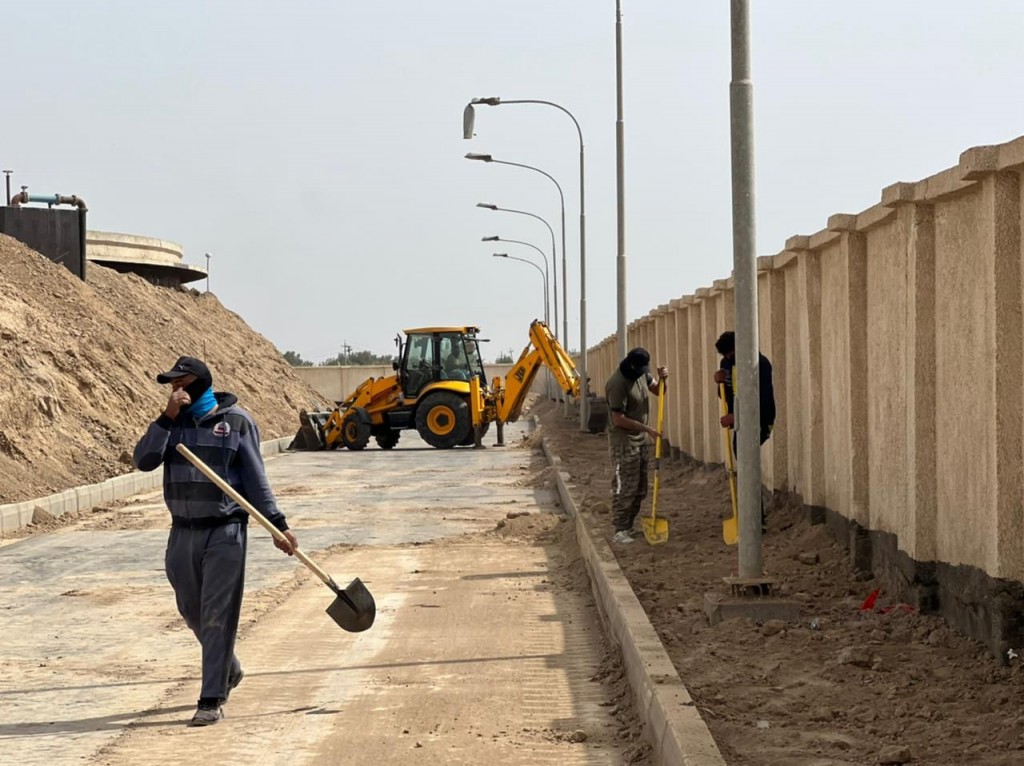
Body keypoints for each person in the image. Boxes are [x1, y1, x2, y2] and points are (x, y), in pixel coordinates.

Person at [133, 356, 298, 727]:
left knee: (216, 615)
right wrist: (166, 418)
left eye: (181, 381)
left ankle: (211, 698)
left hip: (224, 532)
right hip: (181, 532)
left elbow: (256, 480)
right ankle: (229, 667)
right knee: (191, 610)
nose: (176, 388)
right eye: (171, 384)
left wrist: (277, 525)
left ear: (200, 382)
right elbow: (143, 461)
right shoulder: (171, 425)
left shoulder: (237, 422)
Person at [605, 347, 669, 544]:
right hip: (623, 443)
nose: (643, 373)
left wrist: (664, 379)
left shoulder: (641, 375)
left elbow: (659, 391)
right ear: (630, 365)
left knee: (640, 487)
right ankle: (620, 529)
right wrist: (647, 429)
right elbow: (618, 419)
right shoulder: (617, 384)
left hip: (640, 440)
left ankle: (630, 526)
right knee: (626, 487)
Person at [713, 331, 776, 530]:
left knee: (747, 463)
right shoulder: (726, 364)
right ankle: (752, 518)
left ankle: (755, 520)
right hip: (739, 423)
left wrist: (736, 417)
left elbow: (761, 400)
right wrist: (719, 383)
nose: (728, 359)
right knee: (745, 462)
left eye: (730, 355)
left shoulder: (760, 364)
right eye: (725, 356)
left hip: (760, 421)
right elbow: (726, 395)